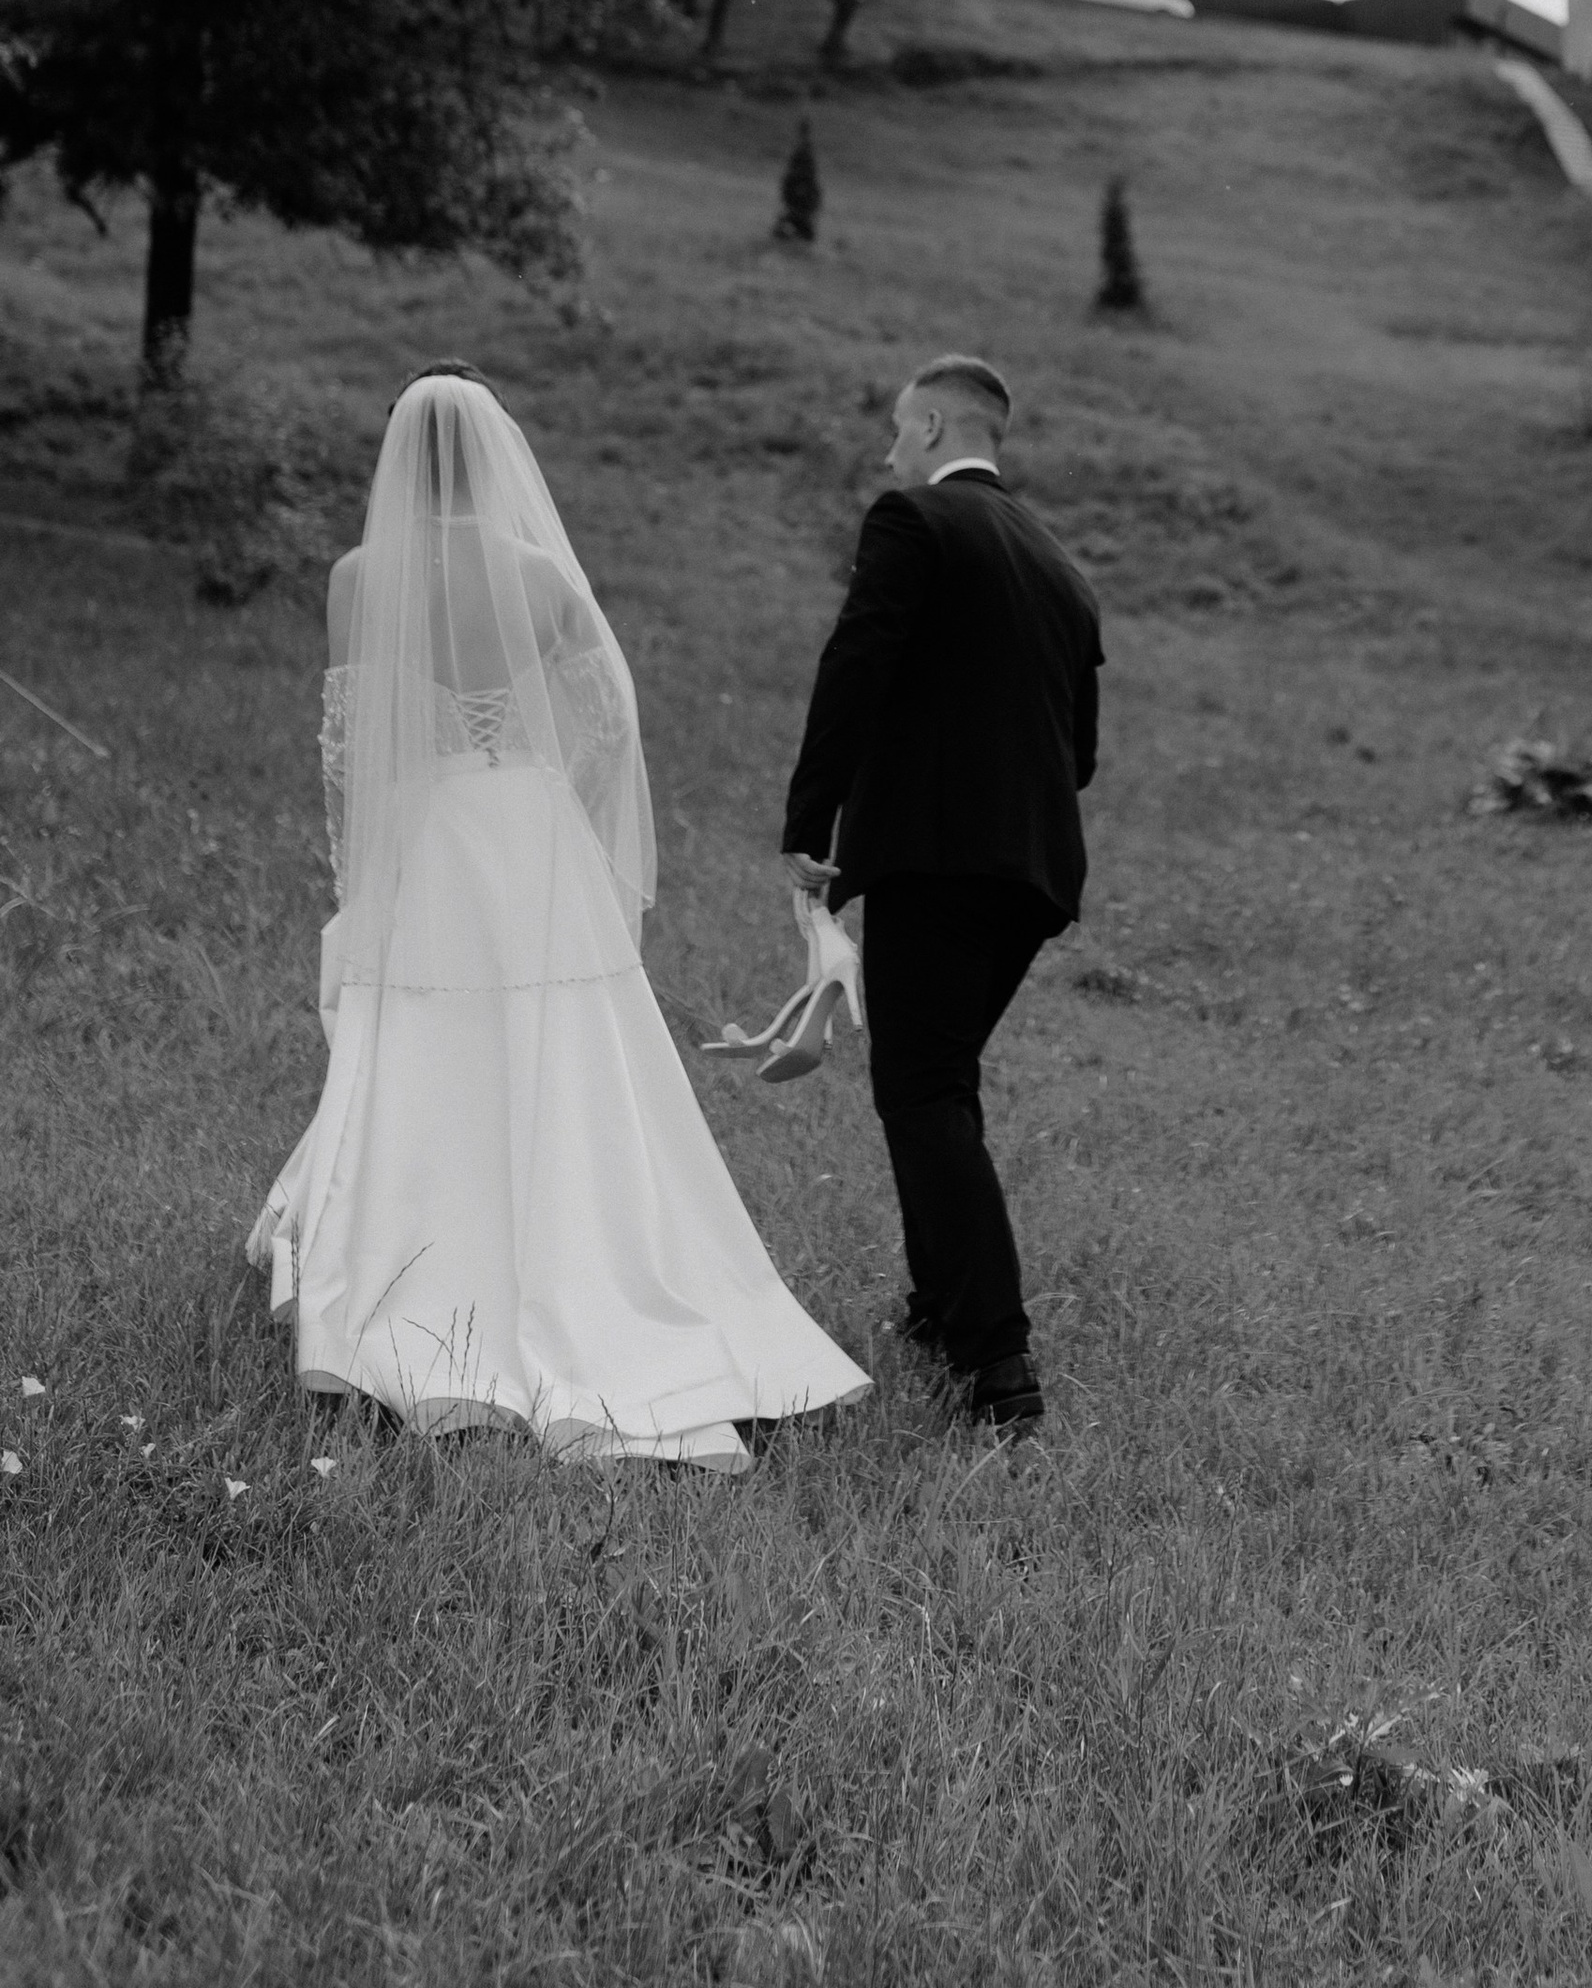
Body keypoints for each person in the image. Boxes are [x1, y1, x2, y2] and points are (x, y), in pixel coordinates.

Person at [250, 365, 867, 1470]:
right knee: (563, 1056)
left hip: (430, 839)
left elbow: (350, 750)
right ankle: (596, 1266)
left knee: (426, 1051)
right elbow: (610, 719)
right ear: (497, 458)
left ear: (400, 457)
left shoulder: (356, 577)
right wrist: (554, 800)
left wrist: (365, 880)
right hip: (528, 836)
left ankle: (409, 1271)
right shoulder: (536, 574)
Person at [781, 354, 1102, 1437]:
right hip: (1036, 873)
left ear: (927, 426)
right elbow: (1082, 755)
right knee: (936, 1082)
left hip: (939, 858)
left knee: (920, 1091)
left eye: (893, 429)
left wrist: (808, 827)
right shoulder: (1062, 567)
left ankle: (999, 1367)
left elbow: (856, 664)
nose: (886, 451)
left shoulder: (913, 522)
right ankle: (936, 1311)